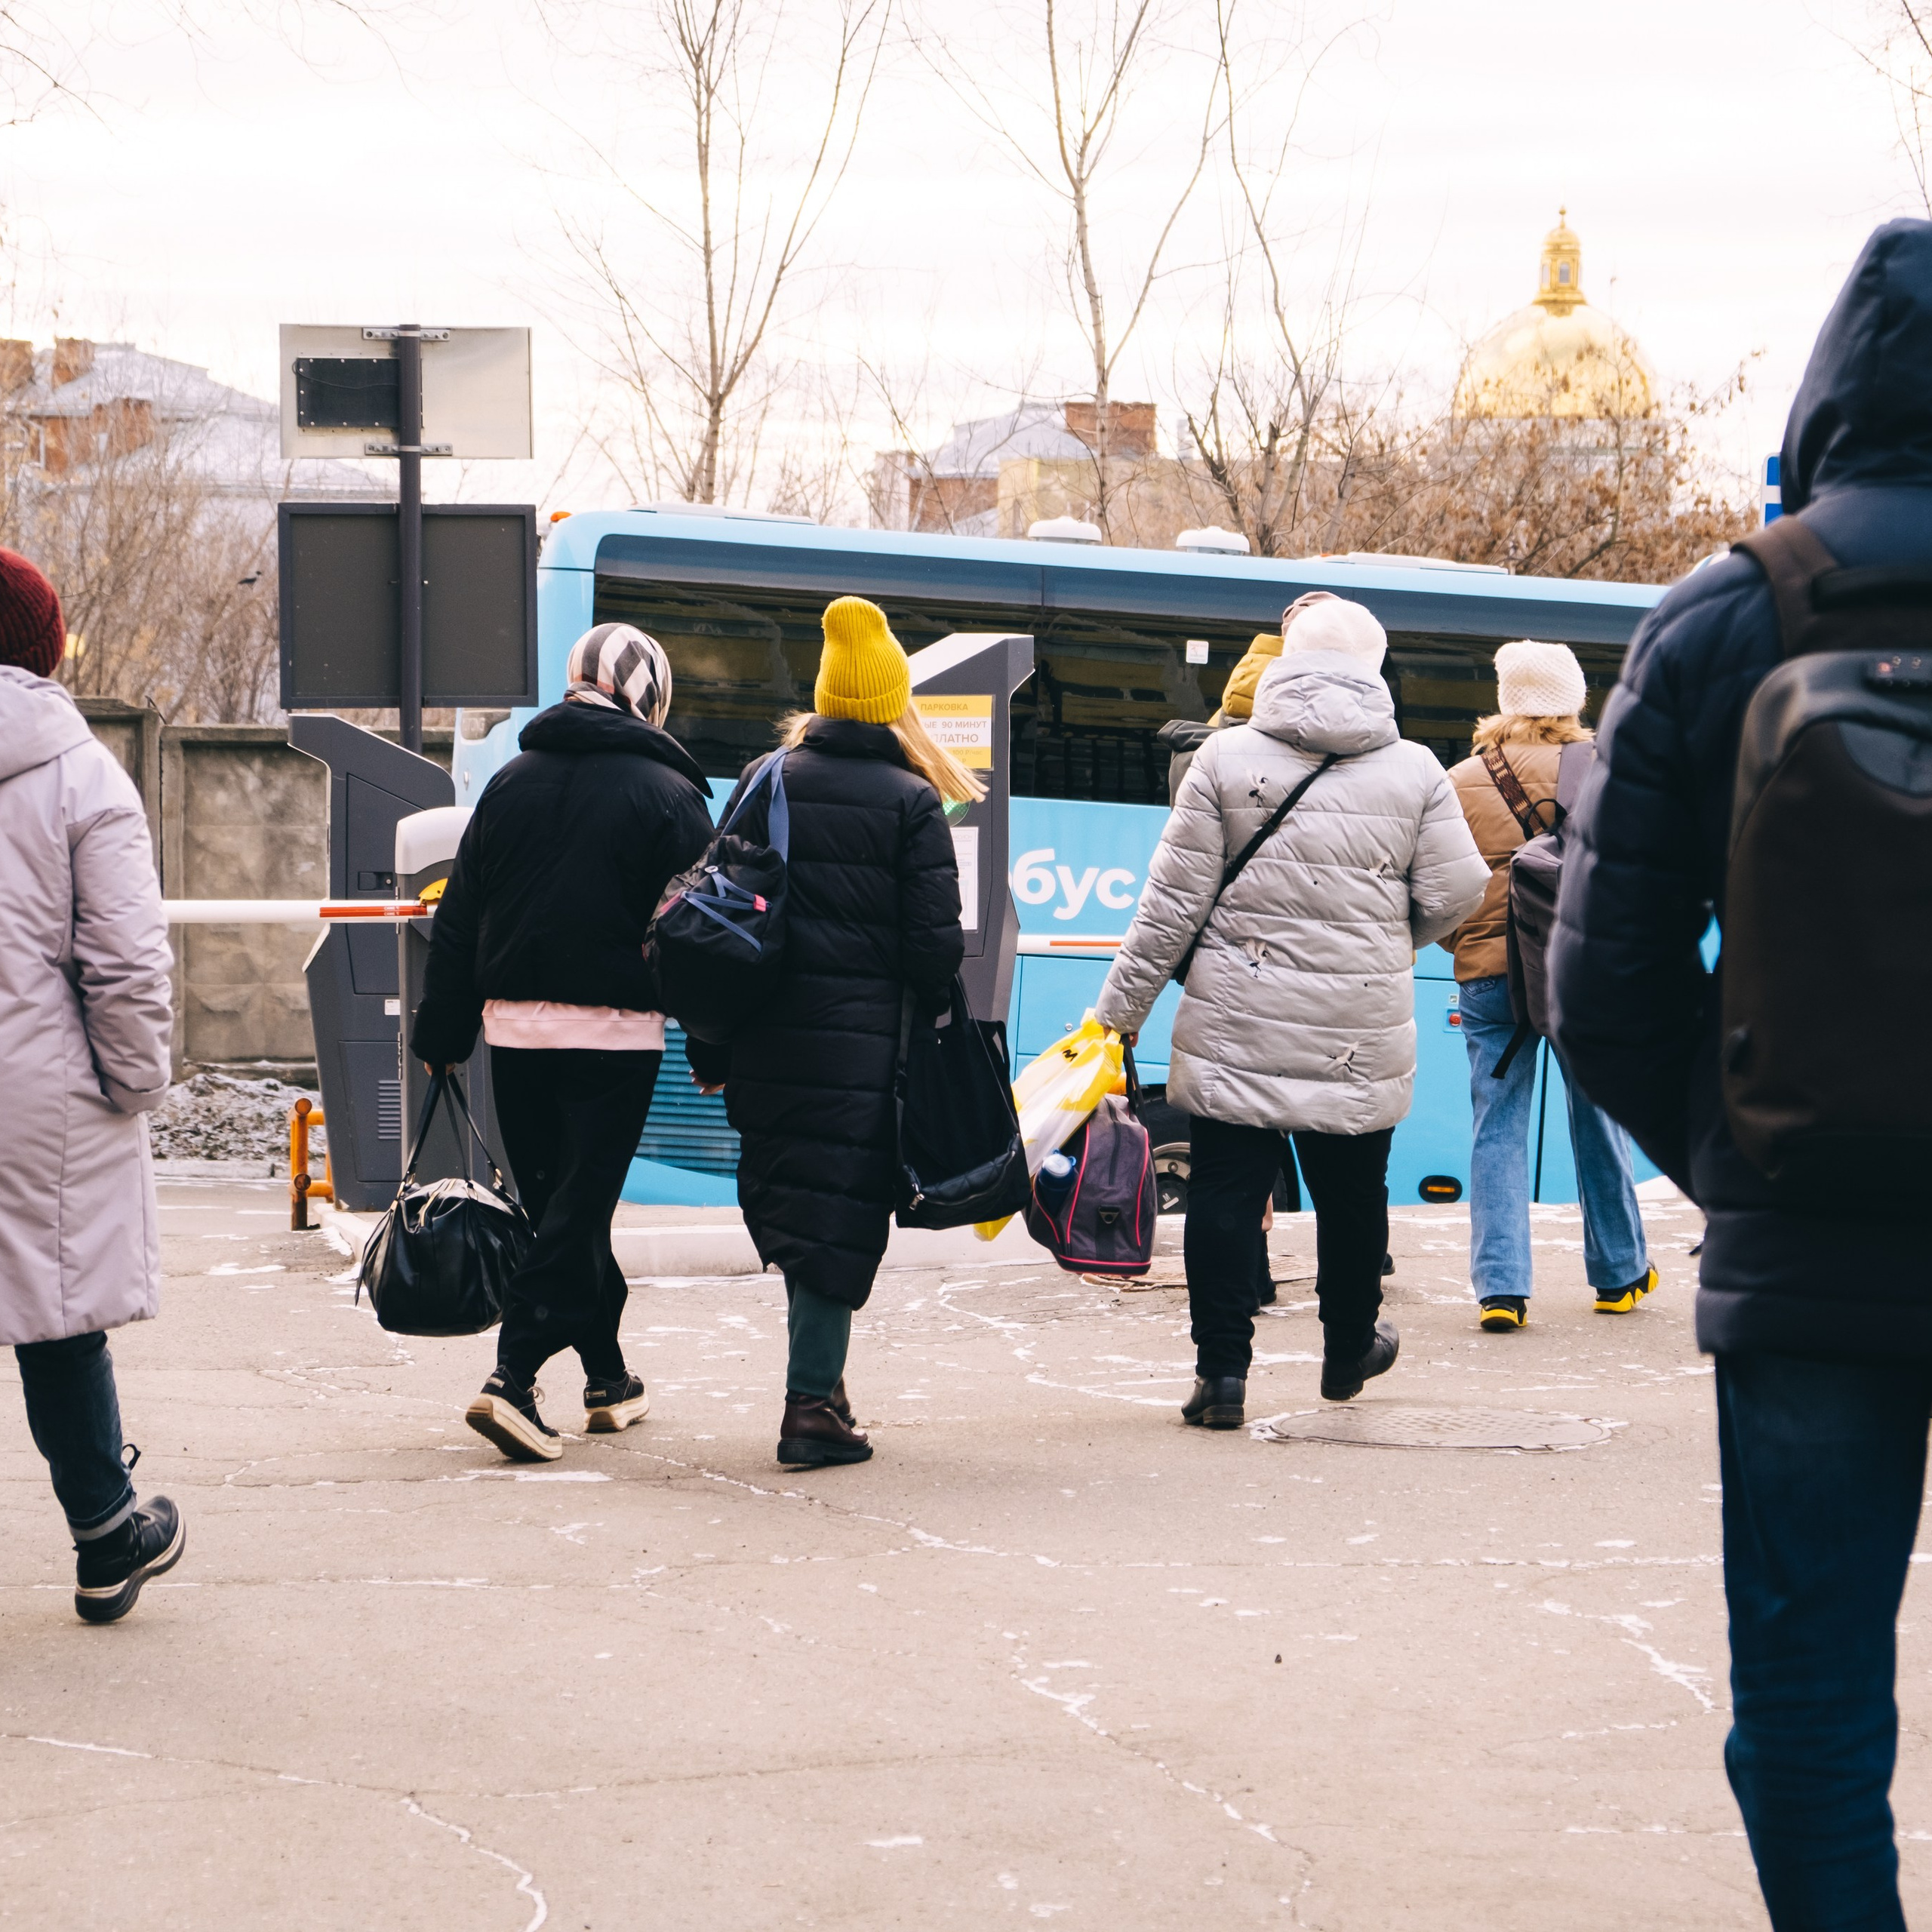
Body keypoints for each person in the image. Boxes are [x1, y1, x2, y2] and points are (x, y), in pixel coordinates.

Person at [1549, 220, 1932, 1931]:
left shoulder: (1725, 613)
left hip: (1808, 1259)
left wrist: (1740, 1159)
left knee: (1805, 1714)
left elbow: (1601, 977)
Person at [1095, 594, 1487, 1427]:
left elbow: (1169, 906)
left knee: (1229, 1194)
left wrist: (1116, 1015)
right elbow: (1459, 889)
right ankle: (1347, 1350)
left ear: (1287, 660)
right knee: (1351, 1193)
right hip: (1357, 1021)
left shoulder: (1224, 759)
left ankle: (1222, 1376)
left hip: (1238, 1013)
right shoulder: (1415, 767)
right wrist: (1389, 937)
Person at [411, 623, 715, 1462]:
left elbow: (460, 919)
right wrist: (715, 1046)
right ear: (647, 694)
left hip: (515, 1032)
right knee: (576, 1212)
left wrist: (443, 1031)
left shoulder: (508, 785)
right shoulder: (669, 796)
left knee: (561, 1211)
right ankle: (511, 1378)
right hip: (615, 1040)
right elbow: (700, 937)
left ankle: (608, 1377)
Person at [684, 596, 973, 1469]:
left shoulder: (764, 779)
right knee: (837, 1214)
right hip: (861, 1052)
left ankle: (825, 1388)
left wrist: (712, 1044)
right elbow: (932, 953)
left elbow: (715, 921)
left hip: (767, 1043)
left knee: (802, 1203)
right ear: (892, 702)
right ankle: (810, 1404)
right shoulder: (910, 800)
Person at [0, 548, 183, 1623]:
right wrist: (134, 1082)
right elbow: (123, 961)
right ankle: (107, 1536)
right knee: (56, 1315)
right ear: (45, 644)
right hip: (39, 1094)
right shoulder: (80, 776)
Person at [1443, 638, 1653, 1334]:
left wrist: (1470, 944)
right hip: (1584, 973)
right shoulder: (1609, 772)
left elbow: (1437, 889)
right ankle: (1619, 1273)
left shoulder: (1459, 780)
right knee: (1599, 1116)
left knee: (1494, 1124)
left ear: (1506, 702)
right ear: (1574, 701)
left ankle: (1501, 1288)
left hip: (1489, 977)